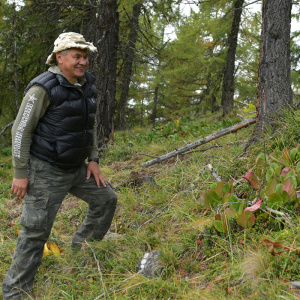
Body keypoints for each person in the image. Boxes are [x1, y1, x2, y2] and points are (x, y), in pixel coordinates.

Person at [2, 32, 118, 300]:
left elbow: (86, 125)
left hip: (77, 169)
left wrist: (94, 160)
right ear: (60, 58)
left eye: (85, 57)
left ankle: (83, 248)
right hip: (45, 170)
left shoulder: (87, 84)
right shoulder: (42, 88)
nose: (83, 62)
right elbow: (20, 131)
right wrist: (20, 174)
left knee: (106, 199)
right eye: (77, 56)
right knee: (35, 232)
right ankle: (14, 293)